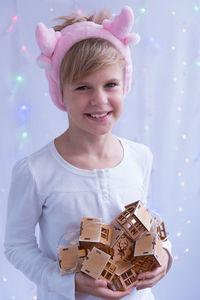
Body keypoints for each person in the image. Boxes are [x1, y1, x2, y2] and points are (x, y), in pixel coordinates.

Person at [4, 6, 172, 300]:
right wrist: (66, 282)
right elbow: (17, 246)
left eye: (110, 84)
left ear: (125, 84)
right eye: (82, 87)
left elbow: (148, 220)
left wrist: (166, 257)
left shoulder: (140, 156)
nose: (99, 99)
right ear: (61, 94)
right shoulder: (35, 170)